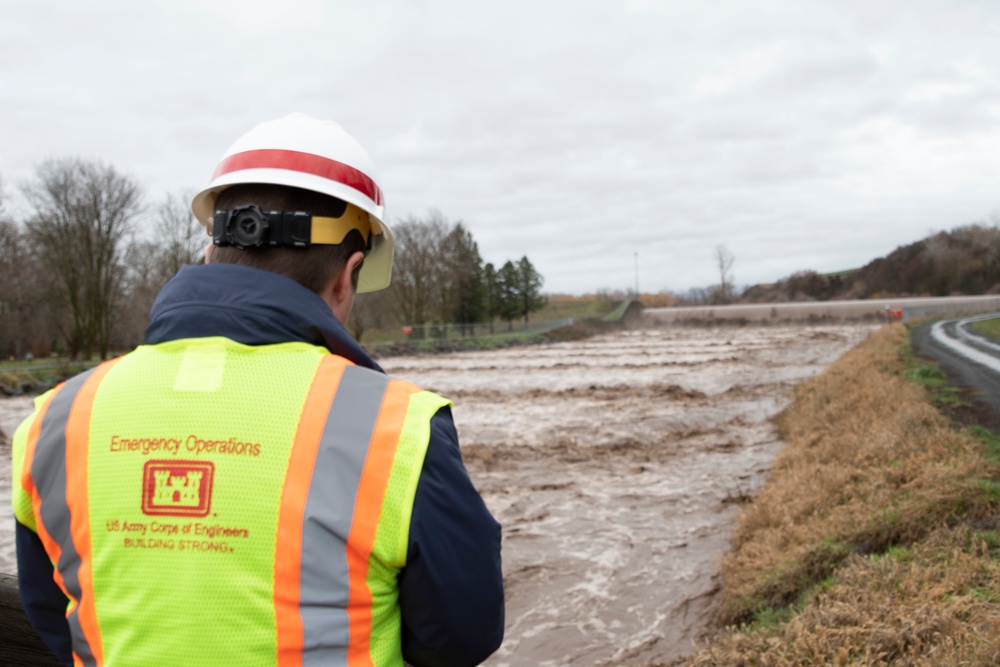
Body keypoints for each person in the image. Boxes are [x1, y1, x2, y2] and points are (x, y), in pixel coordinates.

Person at [12, 113, 504, 666]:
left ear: (209, 251)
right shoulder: (399, 430)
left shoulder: (54, 419)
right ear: (349, 273)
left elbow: (53, 613)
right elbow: (463, 635)